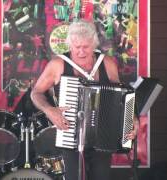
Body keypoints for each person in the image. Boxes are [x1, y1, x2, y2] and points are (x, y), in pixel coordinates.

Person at [31, 20, 138, 180]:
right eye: (76, 47)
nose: (81, 52)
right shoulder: (58, 65)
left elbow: (121, 98)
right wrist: (49, 110)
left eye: (86, 47)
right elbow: (36, 93)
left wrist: (132, 119)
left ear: (94, 43)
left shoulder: (107, 64)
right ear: (69, 45)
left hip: (103, 138)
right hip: (70, 136)